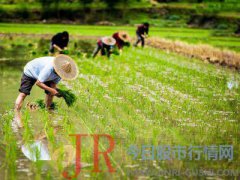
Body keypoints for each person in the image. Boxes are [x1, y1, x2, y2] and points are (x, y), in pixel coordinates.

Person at [14, 55, 78, 127]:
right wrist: (52, 90)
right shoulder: (49, 68)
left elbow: (53, 84)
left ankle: (48, 112)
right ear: (57, 69)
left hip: (43, 75)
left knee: (50, 94)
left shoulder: (61, 73)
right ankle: (16, 114)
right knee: (23, 93)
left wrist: (55, 92)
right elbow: (38, 83)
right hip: (31, 71)